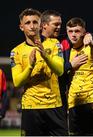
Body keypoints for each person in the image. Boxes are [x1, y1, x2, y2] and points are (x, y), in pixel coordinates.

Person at [10, 8, 67, 136]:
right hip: (31, 107)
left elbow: (60, 71)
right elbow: (17, 82)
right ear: (21, 27)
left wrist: (45, 56)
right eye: (28, 23)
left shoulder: (54, 44)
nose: (32, 26)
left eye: (35, 22)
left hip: (54, 105)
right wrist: (30, 66)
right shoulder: (16, 51)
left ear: (40, 25)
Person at [40, 10, 93, 115]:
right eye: (56, 24)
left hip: (60, 96)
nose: (59, 27)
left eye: (60, 24)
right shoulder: (37, 45)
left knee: (62, 130)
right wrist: (70, 65)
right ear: (44, 25)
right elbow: (48, 71)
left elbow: (79, 35)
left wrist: (90, 35)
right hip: (41, 97)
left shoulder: (63, 41)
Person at [65, 17, 93, 135]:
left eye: (77, 31)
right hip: (73, 104)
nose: (73, 35)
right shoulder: (66, 51)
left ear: (84, 32)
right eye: (70, 31)